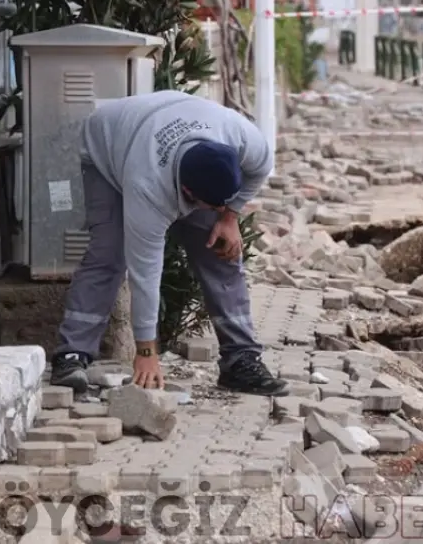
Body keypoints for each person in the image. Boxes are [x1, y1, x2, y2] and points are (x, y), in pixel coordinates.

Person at [50, 90, 290, 398]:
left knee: (221, 253)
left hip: (169, 123)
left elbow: (259, 169)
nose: (217, 209)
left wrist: (229, 217)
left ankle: (241, 361)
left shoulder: (240, 136)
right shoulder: (148, 189)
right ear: (188, 192)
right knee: (108, 254)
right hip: (108, 148)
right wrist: (146, 352)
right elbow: (145, 273)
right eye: (212, 205)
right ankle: (72, 356)